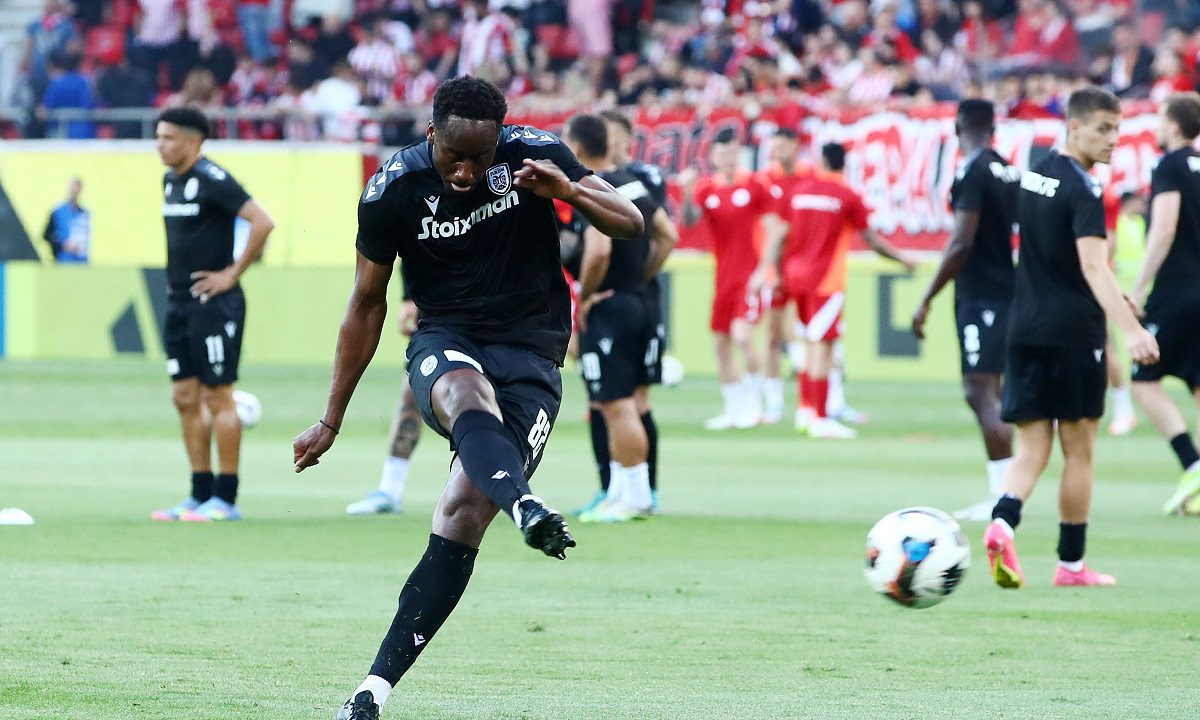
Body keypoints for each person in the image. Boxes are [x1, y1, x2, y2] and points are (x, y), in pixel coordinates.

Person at [291, 76, 643, 720]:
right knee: (462, 390)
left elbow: (631, 222)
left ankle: (371, 692)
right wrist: (331, 418)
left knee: (461, 511)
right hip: (447, 337)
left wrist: (567, 191)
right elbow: (366, 304)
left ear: (499, 139)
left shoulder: (534, 152)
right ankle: (525, 504)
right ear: (432, 133)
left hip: (533, 351)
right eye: (454, 155)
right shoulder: (393, 189)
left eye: (480, 159)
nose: (466, 172)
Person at [984, 86, 1159, 590]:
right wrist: (1131, 329)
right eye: (1103, 129)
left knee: (1031, 450)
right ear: (1074, 126)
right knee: (1079, 452)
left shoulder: (1037, 172)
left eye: (1117, 130)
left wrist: (1118, 297)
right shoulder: (1085, 190)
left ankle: (1002, 523)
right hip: (1074, 335)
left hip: (1025, 330)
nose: (1113, 139)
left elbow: (1059, 258)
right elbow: (1091, 266)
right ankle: (1072, 566)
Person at [150, 107, 276, 523]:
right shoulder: (171, 180)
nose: (160, 145)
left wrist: (231, 274)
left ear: (193, 141)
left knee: (217, 396)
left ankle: (226, 498)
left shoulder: (213, 178)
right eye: (158, 137)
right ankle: (198, 494)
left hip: (214, 305)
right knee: (184, 398)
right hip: (178, 303)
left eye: (168, 138)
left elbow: (263, 222)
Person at [754, 143, 915, 439]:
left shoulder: (798, 192)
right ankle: (821, 417)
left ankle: (805, 410)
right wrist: (902, 259)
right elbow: (871, 240)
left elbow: (780, 234)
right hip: (825, 281)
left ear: (821, 162)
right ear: (844, 165)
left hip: (794, 276)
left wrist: (774, 270)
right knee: (823, 346)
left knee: (806, 342)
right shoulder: (847, 195)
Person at [560, 113, 677, 523]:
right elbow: (668, 236)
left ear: (576, 147)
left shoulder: (593, 188)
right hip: (644, 302)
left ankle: (635, 497)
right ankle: (623, 493)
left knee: (615, 404)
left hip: (611, 309)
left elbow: (599, 251)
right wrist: (639, 277)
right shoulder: (634, 182)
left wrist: (586, 298)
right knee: (631, 402)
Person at [911, 99, 1019, 520]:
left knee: (980, 390)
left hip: (982, 295)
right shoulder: (1007, 169)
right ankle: (1008, 491)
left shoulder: (971, 172)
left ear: (958, 128)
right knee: (996, 392)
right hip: (1008, 289)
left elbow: (961, 242)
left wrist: (927, 297)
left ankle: (1003, 497)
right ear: (993, 129)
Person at [1129, 92, 1200, 515]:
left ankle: (1192, 463)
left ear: (1173, 126)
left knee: (1144, 378)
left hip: (1176, 289)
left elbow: (1164, 228)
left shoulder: (1169, 165)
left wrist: (1139, 288)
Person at [678, 130, 773, 430]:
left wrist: (764, 270)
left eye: (732, 153)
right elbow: (689, 219)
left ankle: (755, 404)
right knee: (721, 343)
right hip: (723, 278)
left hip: (750, 276)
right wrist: (687, 190)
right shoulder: (707, 188)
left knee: (743, 336)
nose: (728, 159)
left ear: (739, 154)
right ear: (713, 157)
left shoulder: (756, 184)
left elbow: (774, 229)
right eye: (722, 154)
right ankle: (733, 409)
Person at [345, 297, 423, 516]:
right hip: (441, 315)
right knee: (412, 396)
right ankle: (391, 490)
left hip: (496, 314)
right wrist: (409, 297)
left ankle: (501, 486)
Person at [42, 177, 90, 263]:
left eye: (77, 188)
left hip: (81, 262)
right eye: (73, 187)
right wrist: (63, 245)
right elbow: (46, 235)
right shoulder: (57, 212)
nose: (74, 191)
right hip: (63, 261)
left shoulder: (83, 214)